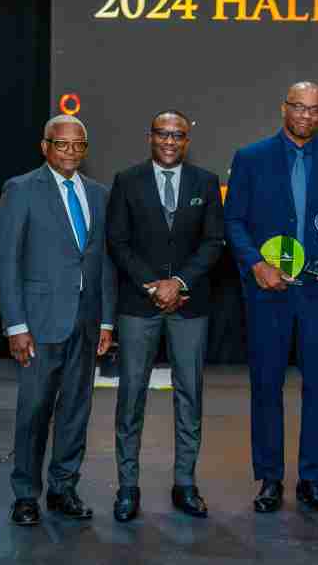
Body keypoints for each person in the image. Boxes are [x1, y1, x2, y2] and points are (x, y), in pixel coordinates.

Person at [224, 82, 318, 513]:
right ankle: (269, 478)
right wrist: (256, 266)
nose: (306, 116)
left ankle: (312, 480)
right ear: (284, 108)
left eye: (314, 110)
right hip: (268, 291)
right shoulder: (251, 158)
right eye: (299, 107)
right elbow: (235, 222)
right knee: (266, 385)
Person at [0, 115, 116, 526]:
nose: (70, 152)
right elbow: (6, 262)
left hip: (86, 321)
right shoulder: (21, 189)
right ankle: (26, 495)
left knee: (76, 410)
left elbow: (104, 263)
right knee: (33, 411)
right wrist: (16, 325)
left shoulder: (98, 195)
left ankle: (64, 488)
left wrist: (106, 321)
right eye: (61, 144)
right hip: (39, 323)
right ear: (44, 146)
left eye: (78, 145)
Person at [106, 110, 224, 521]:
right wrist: (154, 284)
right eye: (163, 134)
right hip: (140, 304)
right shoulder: (127, 180)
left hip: (190, 305)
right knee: (131, 395)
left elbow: (213, 243)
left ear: (187, 140)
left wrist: (180, 284)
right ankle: (127, 487)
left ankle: (185, 484)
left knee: (189, 394)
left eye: (178, 135)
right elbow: (117, 242)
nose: (170, 141)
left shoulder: (206, 182)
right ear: (150, 136)